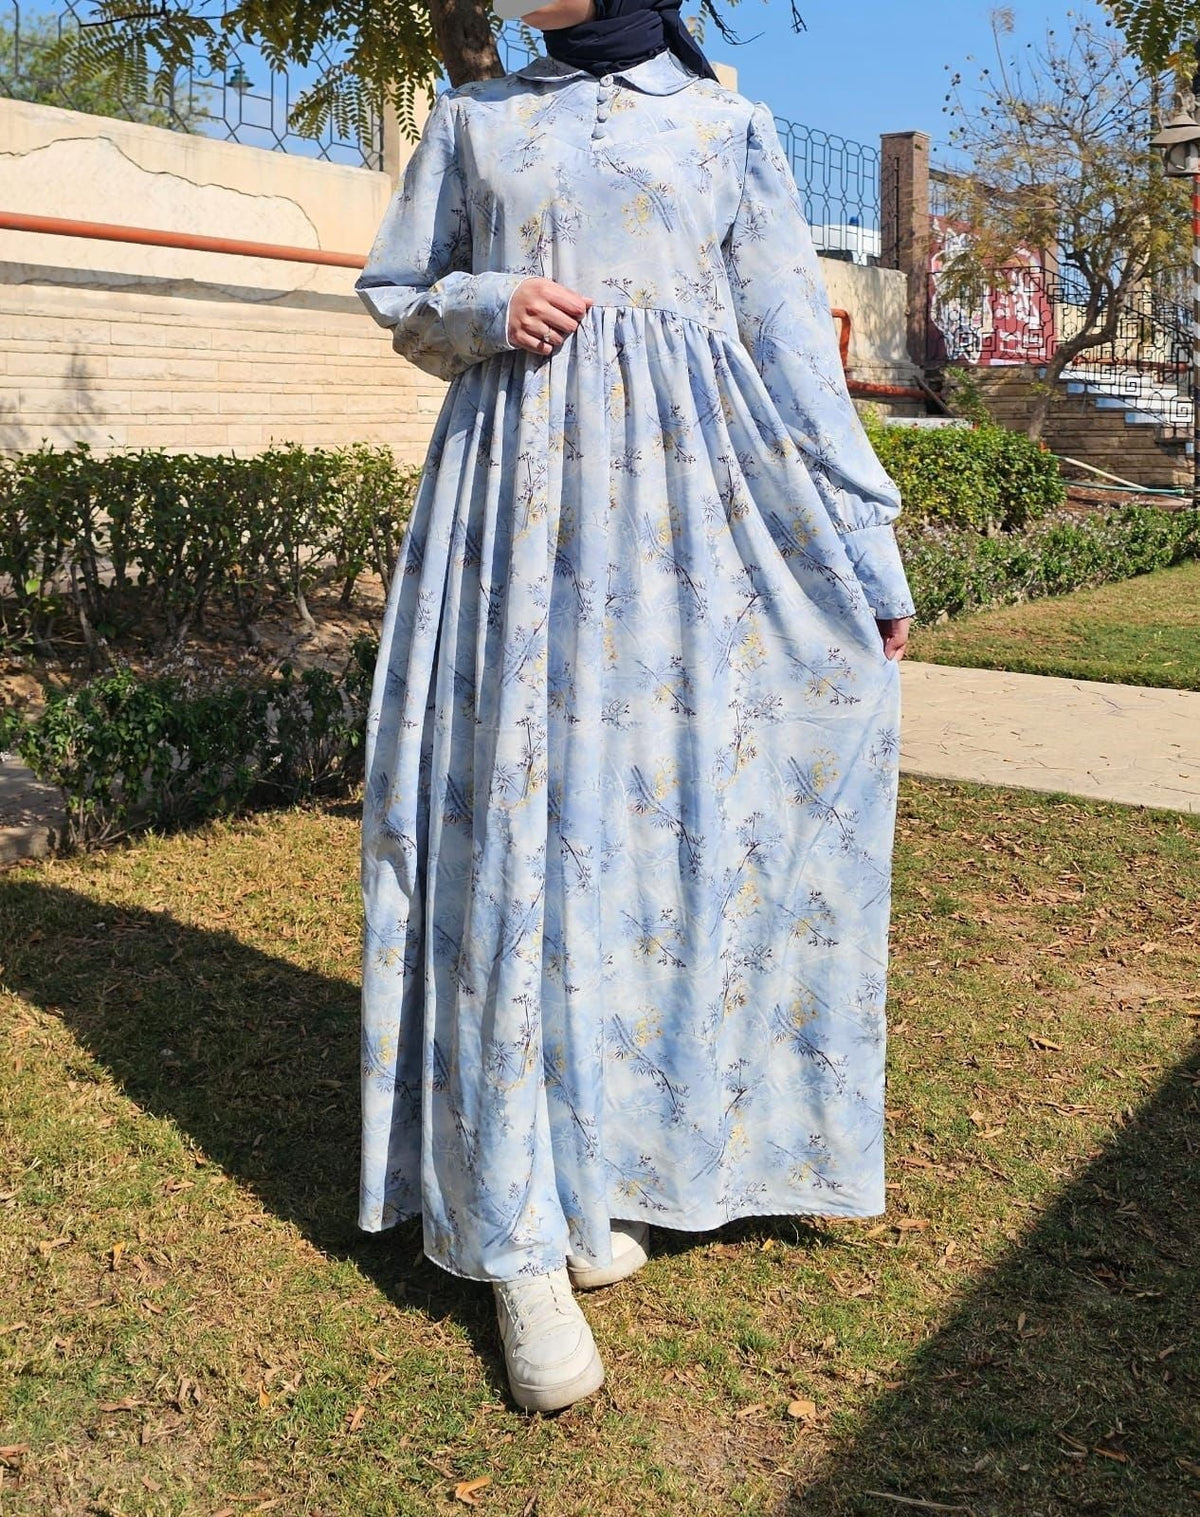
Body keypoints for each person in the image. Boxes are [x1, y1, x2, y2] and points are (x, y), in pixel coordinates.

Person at [354, 0, 916, 1414]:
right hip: (511, 514)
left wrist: (866, 547)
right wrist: (486, 307)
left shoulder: (728, 127)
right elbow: (399, 288)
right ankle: (513, 1229)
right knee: (511, 833)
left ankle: (596, 1154)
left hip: (678, 534)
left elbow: (793, 350)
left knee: (635, 841)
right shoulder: (477, 119)